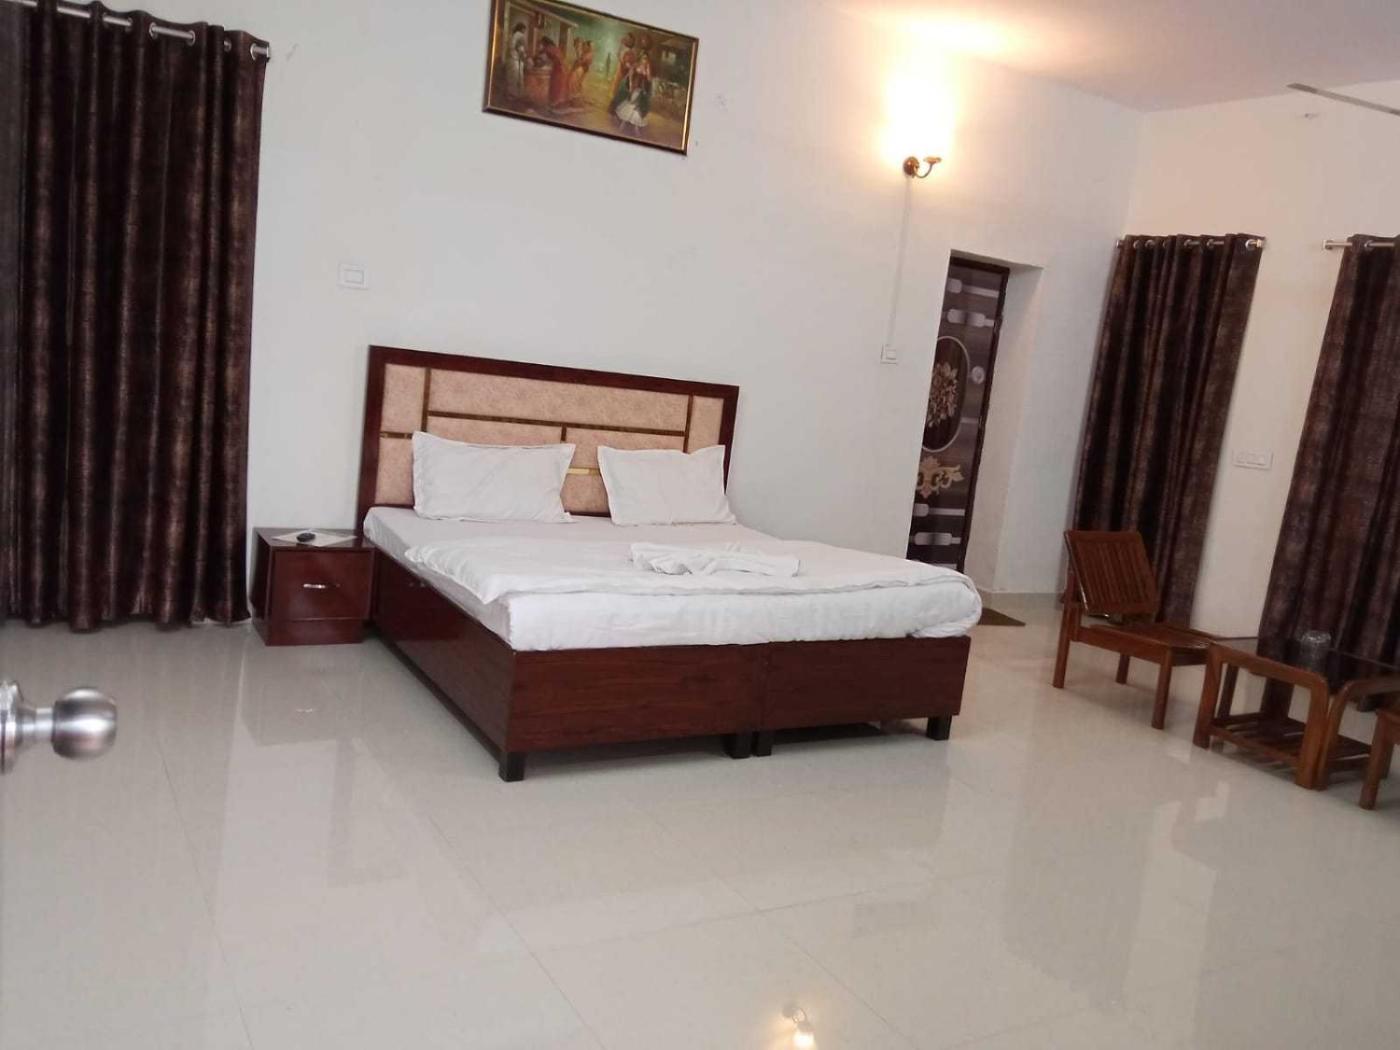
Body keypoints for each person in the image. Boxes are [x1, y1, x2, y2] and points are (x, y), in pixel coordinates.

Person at [613, 48, 653, 134]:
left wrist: (647, 69)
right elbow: (630, 75)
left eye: (646, 59)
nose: (644, 60)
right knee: (632, 104)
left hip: (642, 90)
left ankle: (634, 126)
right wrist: (631, 85)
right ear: (641, 58)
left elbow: (649, 79)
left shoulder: (646, 68)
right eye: (643, 58)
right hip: (635, 87)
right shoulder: (636, 65)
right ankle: (624, 124)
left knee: (637, 107)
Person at [536, 36, 569, 110]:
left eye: (541, 43)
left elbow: (545, 59)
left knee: (555, 85)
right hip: (562, 68)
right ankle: (557, 102)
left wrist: (539, 63)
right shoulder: (554, 47)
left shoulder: (548, 48)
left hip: (558, 69)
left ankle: (553, 103)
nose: (541, 44)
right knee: (559, 85)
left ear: (544, 42)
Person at [505, 21, 528, 99]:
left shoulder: (512, 35)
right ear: (521, 29)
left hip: (510, 59)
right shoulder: (520, 35)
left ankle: (511, 95)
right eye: (524, 29)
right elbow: (520, 48)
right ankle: (516, 95)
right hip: (516, 59)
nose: (525, 31)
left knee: (511, 78)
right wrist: (525, 57)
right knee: (516, 78)